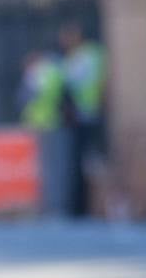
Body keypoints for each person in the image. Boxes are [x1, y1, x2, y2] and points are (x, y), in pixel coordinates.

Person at [58, 21, 107, 217]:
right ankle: (84, 206)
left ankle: (85, 206)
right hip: (85, 114)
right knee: (84, 162)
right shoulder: (89, 54)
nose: (63, 42)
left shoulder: (83, 56)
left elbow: (74, 83)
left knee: (85, 162)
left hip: (85, 114)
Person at [18, 48, 69, 216]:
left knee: (50, 169)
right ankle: (57, 206)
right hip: (52, 123)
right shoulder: (54, 71)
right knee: (57, 168)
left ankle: (53, 207)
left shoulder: (40, 74)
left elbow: (25, 98)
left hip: (44, 125)